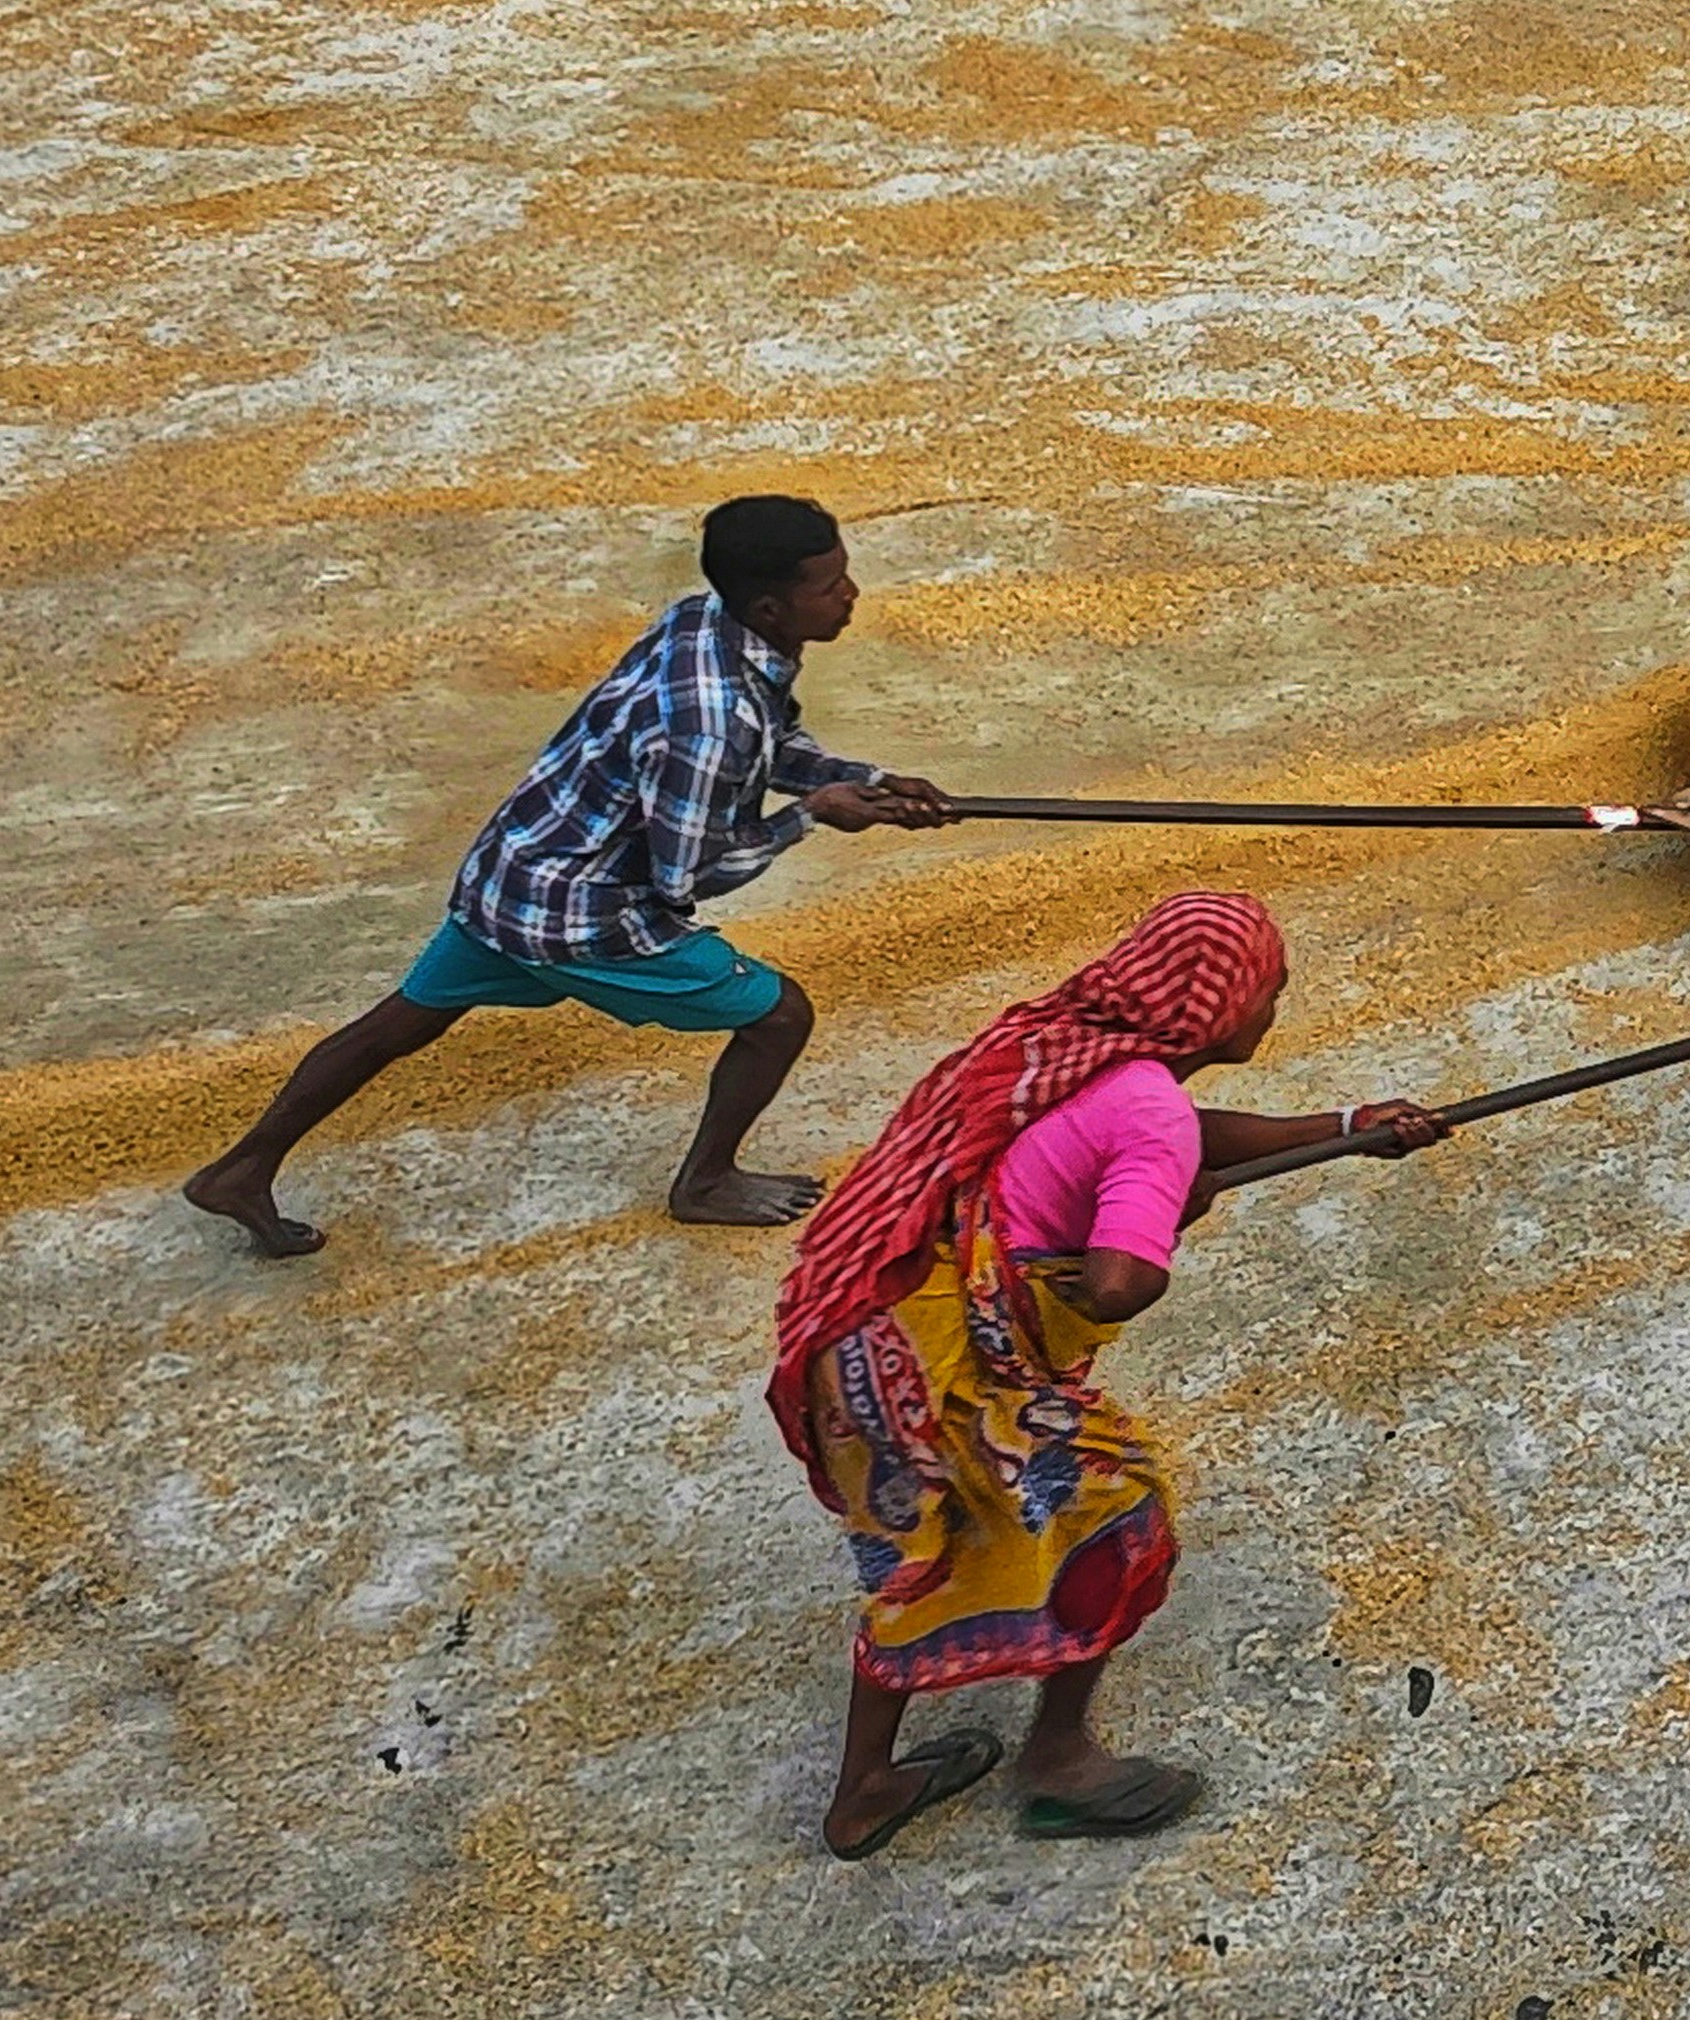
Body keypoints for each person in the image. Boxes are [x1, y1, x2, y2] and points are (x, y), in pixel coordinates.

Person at [771, 889, 1448, 1854]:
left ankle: (867, 1789)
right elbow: (1115, 1284)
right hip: (937, 1369)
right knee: (1122, 1518)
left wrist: (1343, 1126)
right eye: (1270, 989)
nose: (1275, 1006)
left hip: (869, 1330)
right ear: (1218, 1010)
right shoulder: (1150, 1116)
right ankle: (1056, 1760)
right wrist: (1169, 1211)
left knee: (919, 1549)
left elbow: (1168, 1126)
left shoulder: (1070, 1046)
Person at [182, 495, 959, 1258]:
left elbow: (766, 746)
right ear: (769, 608)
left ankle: (241, 1169)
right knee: (779, 1016)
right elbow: (691, 872)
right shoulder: (711, 723)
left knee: (401, 1022)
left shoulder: (702, 622)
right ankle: (705, 1183)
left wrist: (870, 781)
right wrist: (812, 815)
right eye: (830, 585)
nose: (850, 594)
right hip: (581, 917)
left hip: (512, 876)